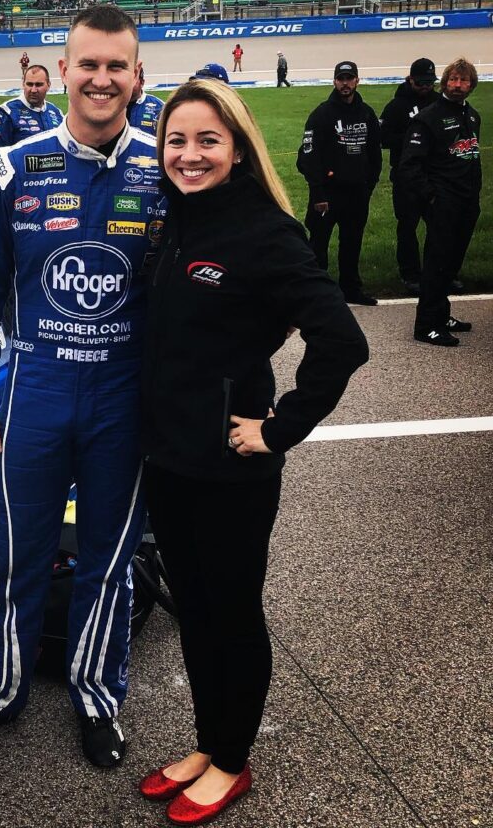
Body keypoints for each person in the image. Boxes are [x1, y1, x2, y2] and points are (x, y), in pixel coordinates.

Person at [0, 5, 165, 769]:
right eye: (86, 64)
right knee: (16, 552)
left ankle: (99, 696)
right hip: (33, 388)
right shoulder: (14, 167)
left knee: (109, 557)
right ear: (62, 72)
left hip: (126, 397)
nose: (101, 79)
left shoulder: (168, 171)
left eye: (115, 66)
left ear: (137, 77)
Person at [137, 77, 368, 824]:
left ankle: (232, 761)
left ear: (236, 149)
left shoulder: (266, 233)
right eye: (177, 140)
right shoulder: (173, 219)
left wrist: (278, 427)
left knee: (232, 613)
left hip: (232, 469)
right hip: (169, 459)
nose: (190, 154)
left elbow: (342, 341)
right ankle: (208, 743)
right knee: (196, 613)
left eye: (208, 140)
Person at [400, 57, 482, 347]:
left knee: (451, 264)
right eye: (453, 80)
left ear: (471, 84)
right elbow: (409, 166)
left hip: (467, 203)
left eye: (464, 80)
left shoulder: (471, 116)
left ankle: (441, 314)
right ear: (445, 82)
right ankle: (426, 325)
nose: (458, 85)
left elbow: (470, 160)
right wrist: (432, 198)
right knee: (436, 264)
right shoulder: (428, 118)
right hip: (442, 204)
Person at [296, 61, 381, 306]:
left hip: (357, 192)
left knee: (352, 243)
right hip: (326, 194)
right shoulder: (321, 114)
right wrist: (318, 191)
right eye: (341, 78)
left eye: (349, 78)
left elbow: (374, 152)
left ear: (357, 80)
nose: (345, 83)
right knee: (318, 245)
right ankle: (315, 292)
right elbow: (308, 155)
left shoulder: (366, 113)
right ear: (334, 81)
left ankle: (351, 289)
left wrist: (369, 184)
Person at [378, 58, 442, 294]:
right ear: (410, 80)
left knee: (439, 226)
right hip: (405, 177)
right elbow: (382, 138)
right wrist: (411, 139)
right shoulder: (396, 106)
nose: (426, 87)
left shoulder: (439, 103)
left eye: (429, 82)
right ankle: (410, 274)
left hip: (434, 176)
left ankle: (441, 272)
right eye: (421, 83)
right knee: (407, 227)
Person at [0, 64, 63, 150]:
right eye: (29, 84)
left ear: (48, 85)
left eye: (38, 85)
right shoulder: (6, 113)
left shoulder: (56, 112)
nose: (33, 90)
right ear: (23, 84)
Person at [127, 63, 164, 136]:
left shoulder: (159, 106)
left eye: (134, 80)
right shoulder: (113, 104)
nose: (129, 84)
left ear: (142, 83)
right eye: (127, 80)